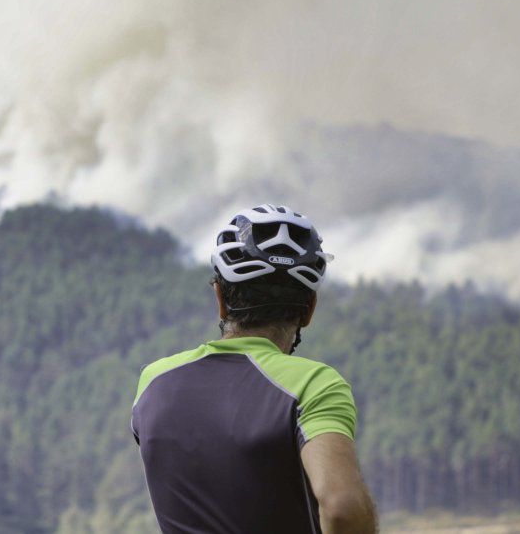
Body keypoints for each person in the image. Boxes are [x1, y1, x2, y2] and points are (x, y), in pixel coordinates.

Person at [131, 204, 377, 534]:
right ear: (309, 311)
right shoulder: (314, 385)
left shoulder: (154, 381)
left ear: (220, 297)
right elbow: (343, 509)